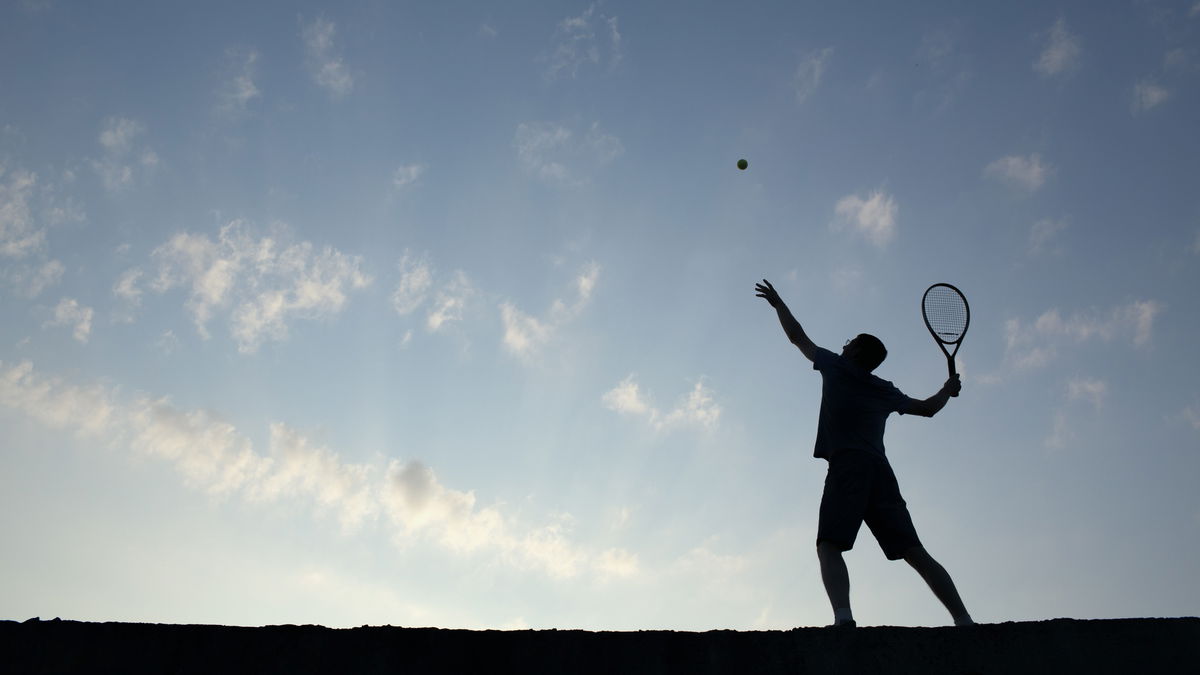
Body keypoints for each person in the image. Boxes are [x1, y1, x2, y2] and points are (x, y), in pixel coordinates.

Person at [754, 279, 974, 628]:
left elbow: (797, 337)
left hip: (848, 466)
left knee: (829, 544)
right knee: (914, 551)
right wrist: (947, 389)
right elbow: (929, 408)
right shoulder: (884, 389)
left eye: (850, 342)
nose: (844, 345)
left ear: (855, 352)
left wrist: (779, 304)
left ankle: (843, 620)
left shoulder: (835, 366)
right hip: (880, 471)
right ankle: (964, 620)